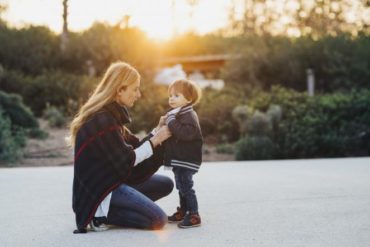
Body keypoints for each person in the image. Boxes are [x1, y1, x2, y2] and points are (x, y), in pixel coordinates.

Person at [67, 61, 173, 233]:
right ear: (119, 90)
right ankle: (100, 215)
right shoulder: (102, 120)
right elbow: (128, 159)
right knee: (158, 220)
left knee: (166, 184)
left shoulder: (111, 115)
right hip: (101, 191)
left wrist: (156, 132)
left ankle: (118, 210)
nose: (138, 94)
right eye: (135, 89)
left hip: (113, 180)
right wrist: (155, 140)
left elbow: (135, 146)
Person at [163, 79, 203, 228]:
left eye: (176, 95)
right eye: (170, 95)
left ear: (189, 99)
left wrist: (171, 121)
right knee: (180, 186)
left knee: (186, 186)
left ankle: (194, 214)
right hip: (179, 159)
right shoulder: (177, 114)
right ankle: (184, 210)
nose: (171, 98)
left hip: (187, 159)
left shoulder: (189, 116)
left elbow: (184, 134)